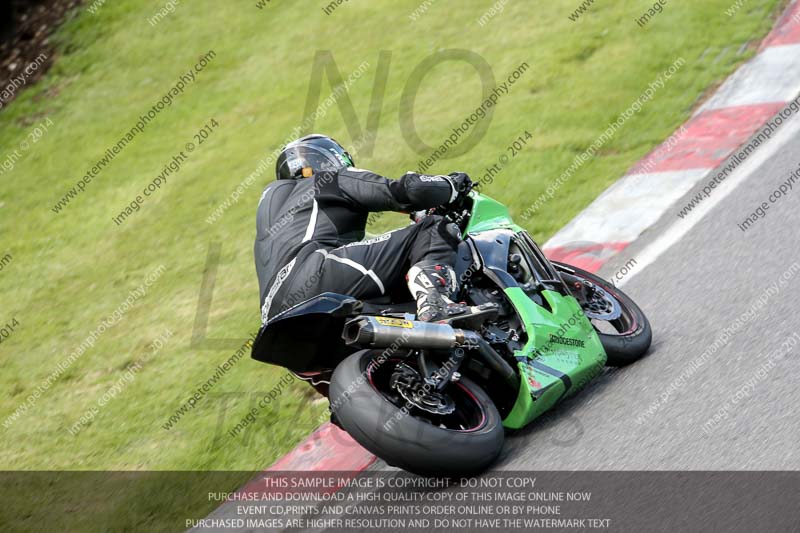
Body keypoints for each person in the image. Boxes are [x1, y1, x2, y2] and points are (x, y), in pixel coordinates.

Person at [254, 134, 472, 330]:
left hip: (274, 317)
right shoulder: (328, 180)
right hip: (317, 275)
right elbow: (408, 191)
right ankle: (435, 305)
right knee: (431, 229)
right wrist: (451, 185)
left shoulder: (271, 220)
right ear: (331, 160)